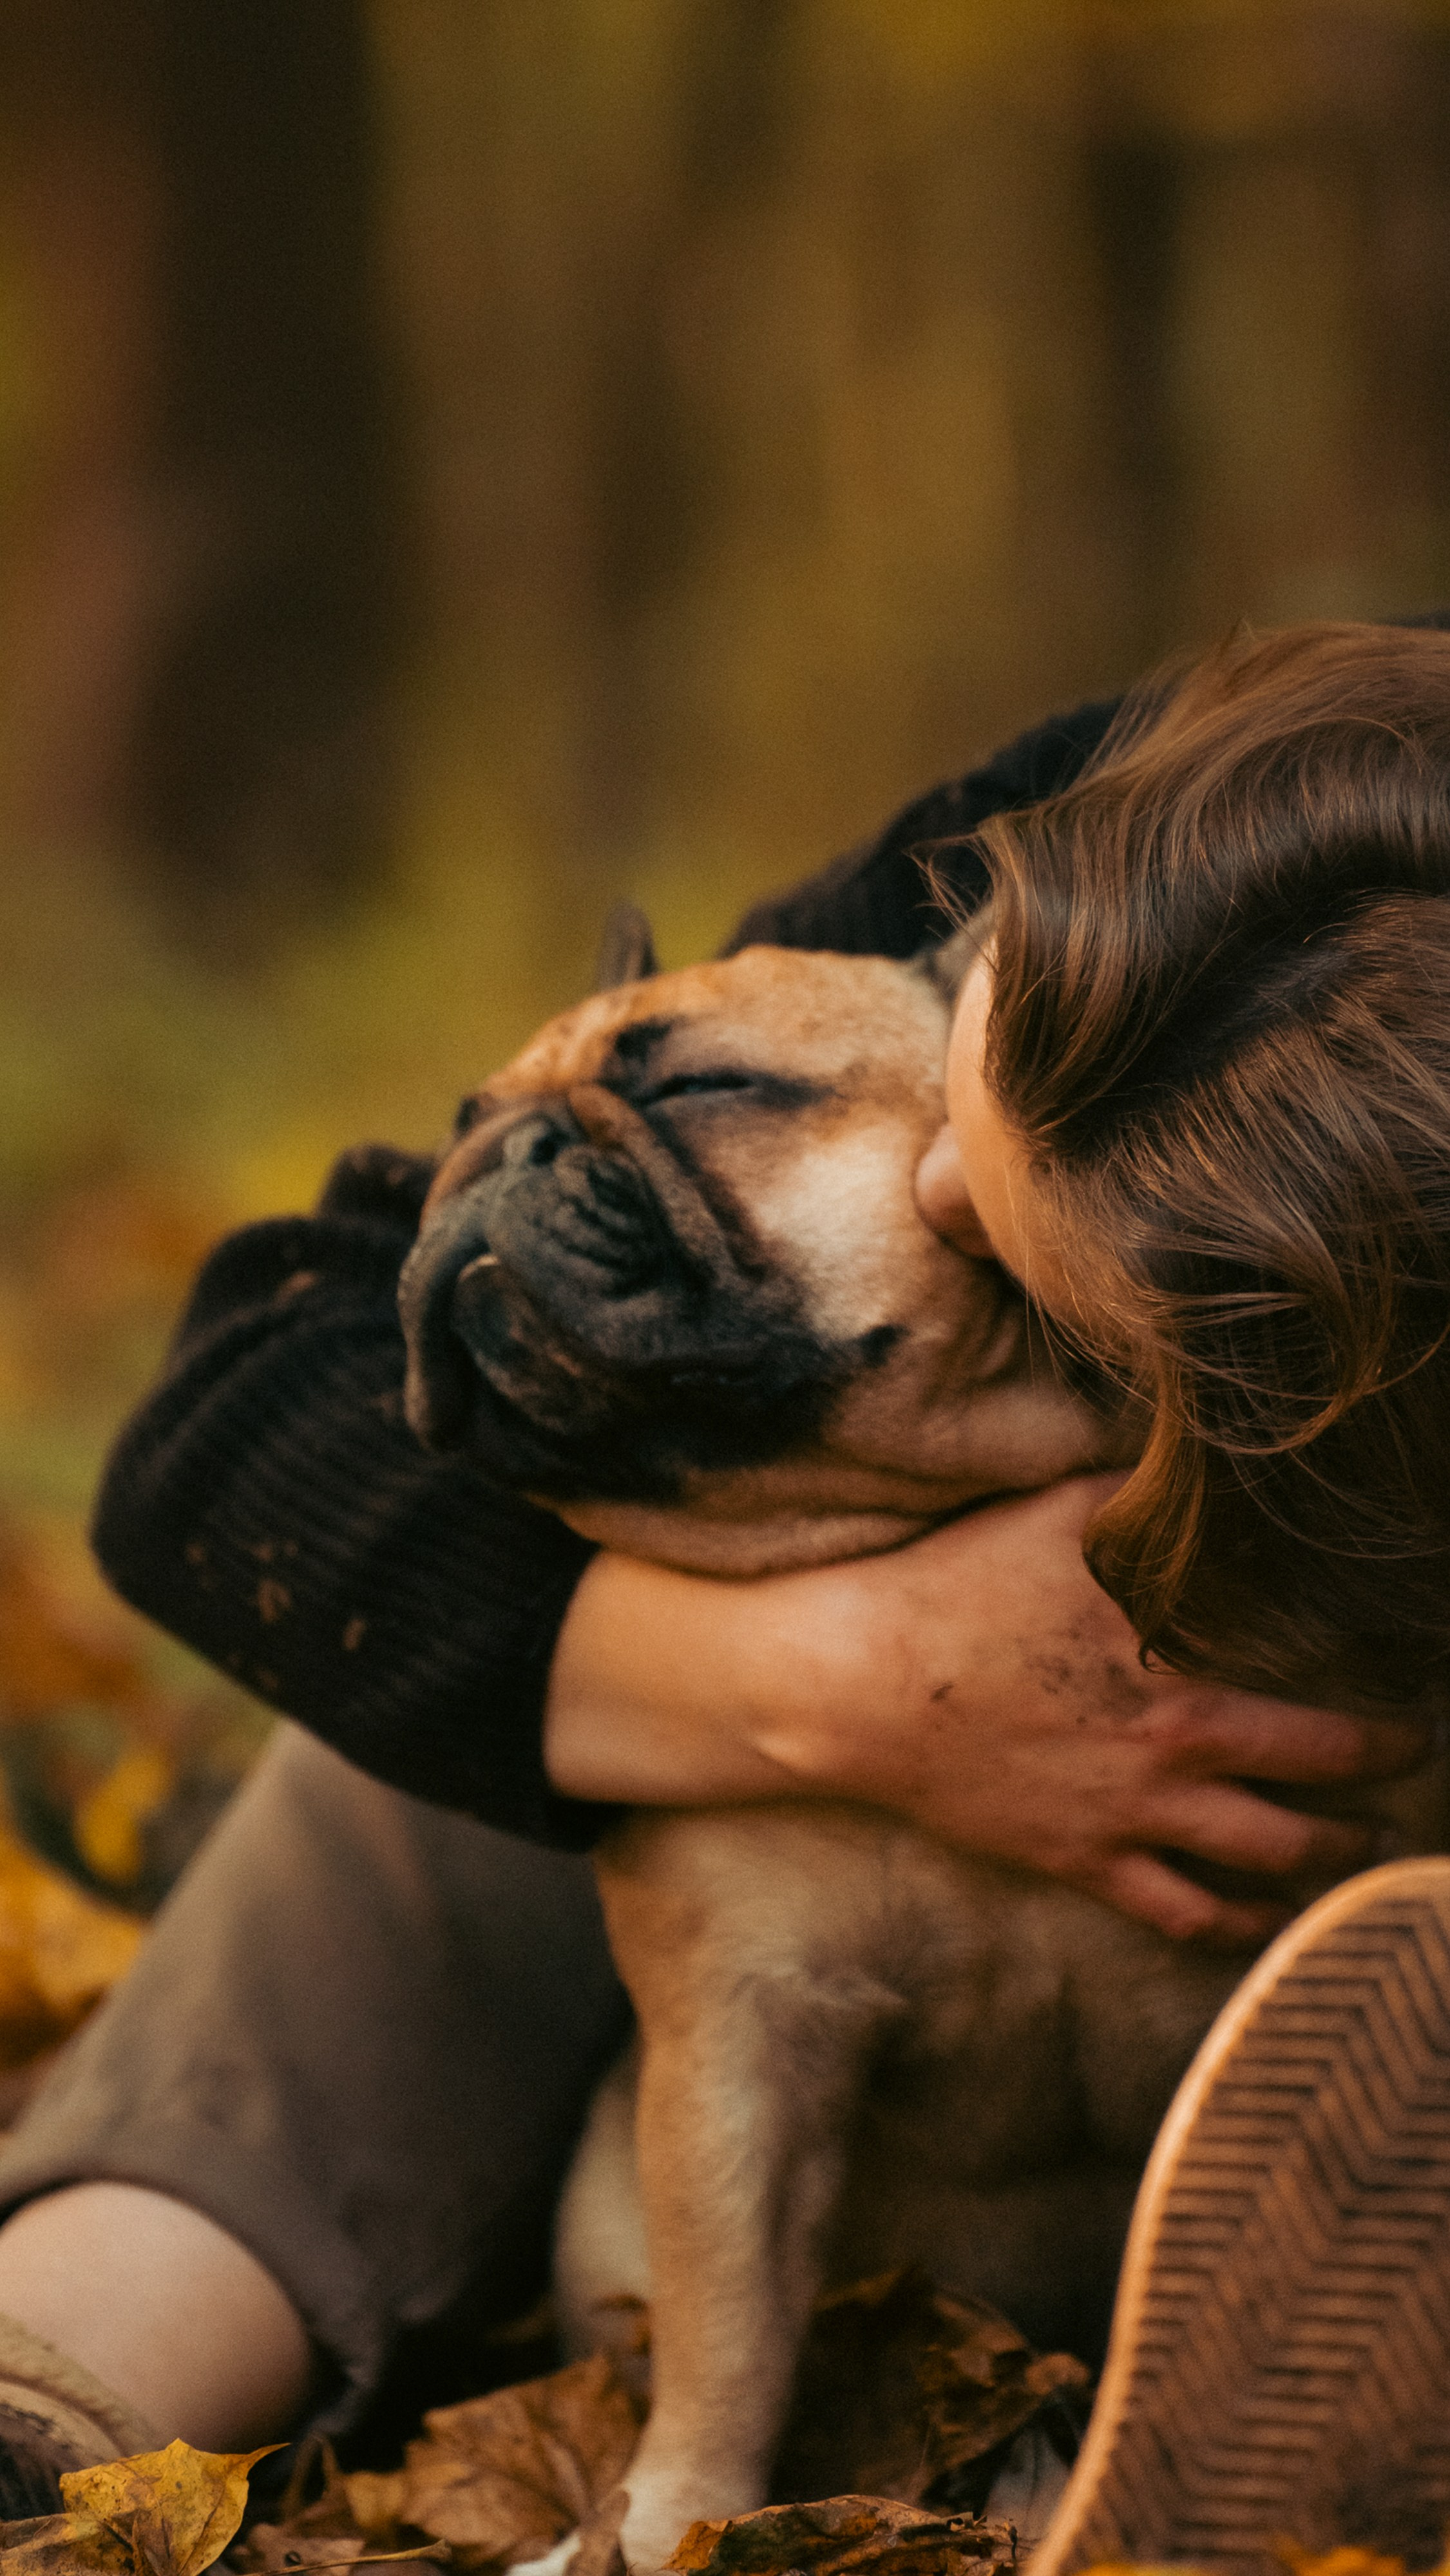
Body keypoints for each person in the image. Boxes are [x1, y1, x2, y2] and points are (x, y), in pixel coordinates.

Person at [0, 625, 1439, 2557]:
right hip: (765, 1952)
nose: (947, 1193)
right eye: (971, 1062)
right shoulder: (1141, 815)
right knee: (538, 1587)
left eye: (1023, 1229)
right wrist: (825, 1673)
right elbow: (233, 1418)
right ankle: (81, 2332)